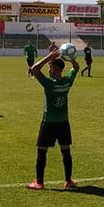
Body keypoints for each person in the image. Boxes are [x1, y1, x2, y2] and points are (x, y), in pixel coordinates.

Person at [27, 44, 79, 190]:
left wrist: (49, 57)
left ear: (55, 69)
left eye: (50, 67)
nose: (48, 69)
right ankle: (68, 180)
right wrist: (71, 59)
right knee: (66, 151)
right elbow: (76, 68)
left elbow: (34, 69)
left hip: (49, 122)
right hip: (63, 122)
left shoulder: (49, 84)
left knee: (42, 150)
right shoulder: (67, 81)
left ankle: (39, 182)